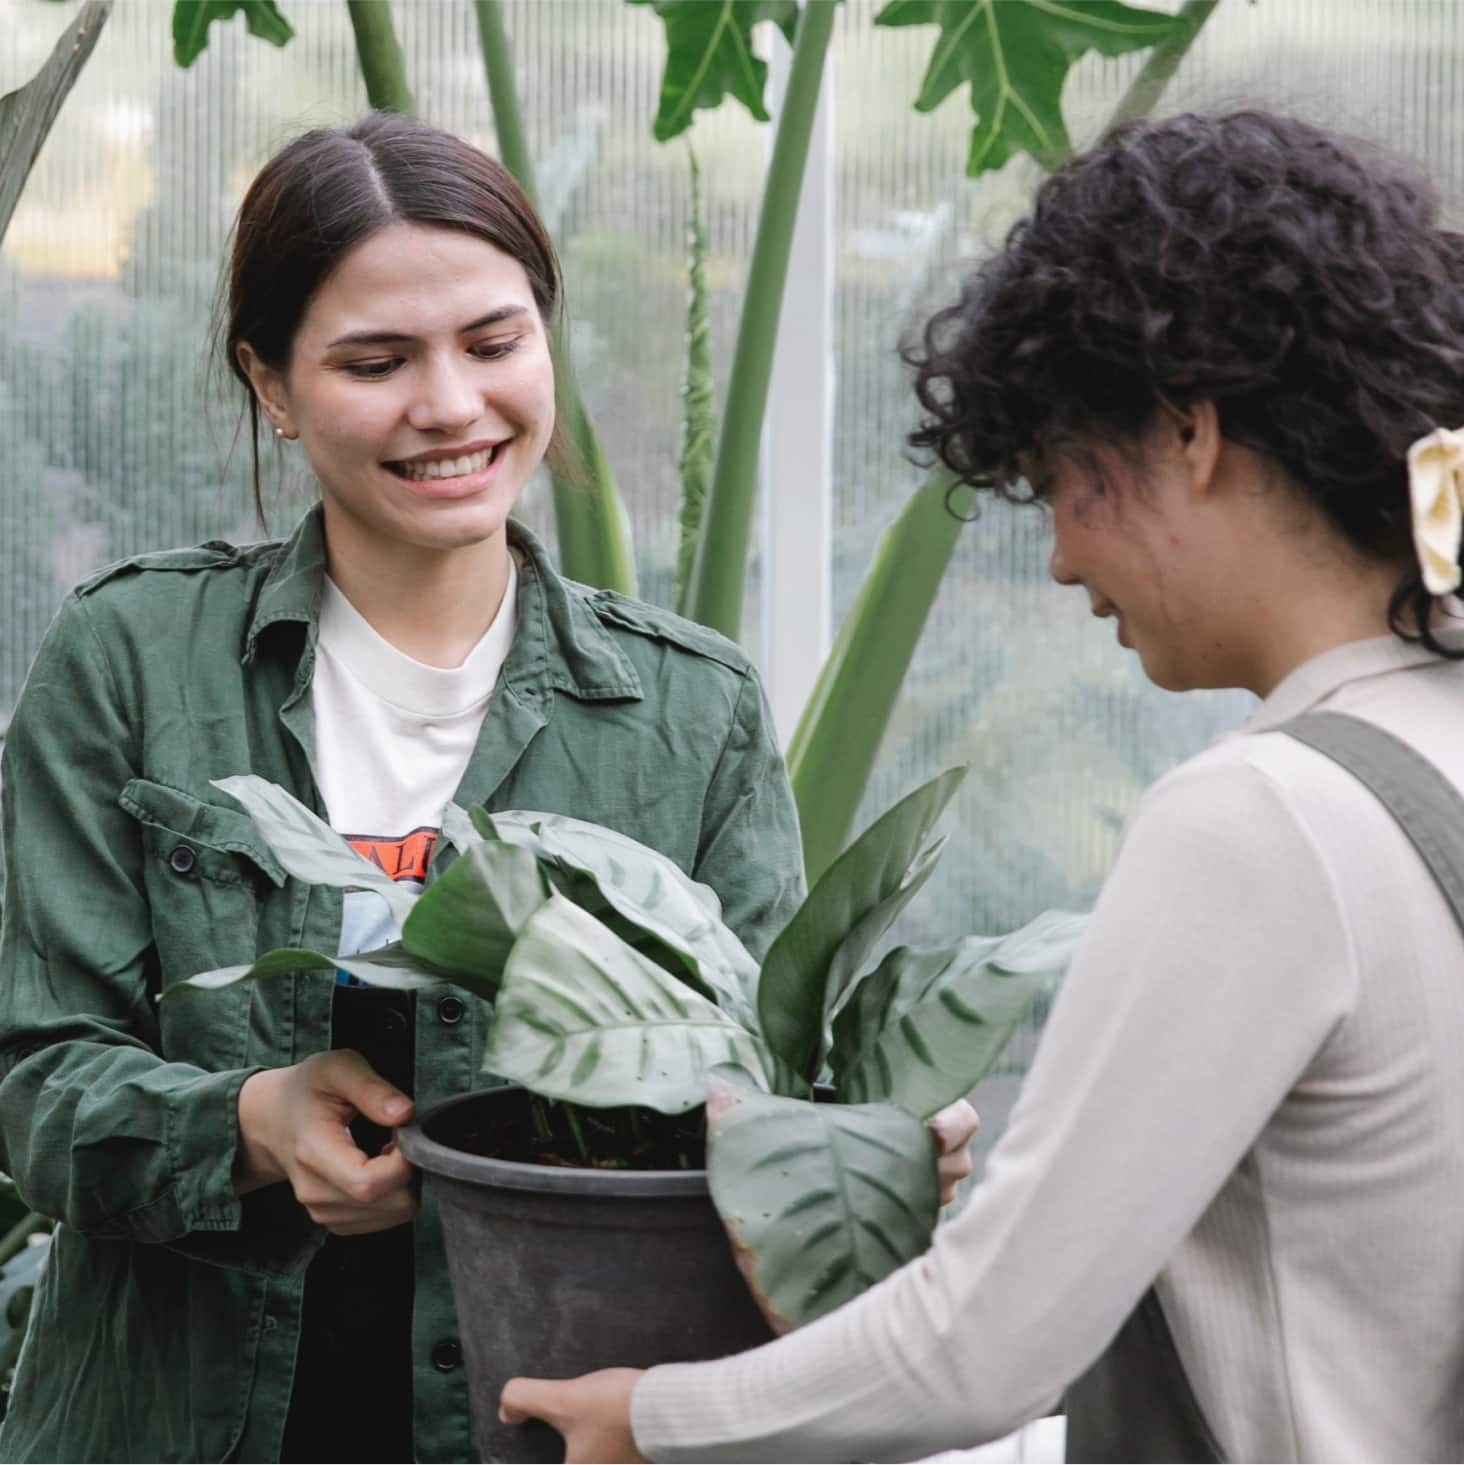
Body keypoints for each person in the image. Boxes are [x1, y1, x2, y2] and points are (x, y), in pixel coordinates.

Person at [0, 111, 977, 1464]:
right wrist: (247, 1122)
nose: (451, 404)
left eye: (494, 341)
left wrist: (869, 1147)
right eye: (374, 360)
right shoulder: (129, 662)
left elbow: (755, 1086)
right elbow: (34, 1078)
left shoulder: (687, 712)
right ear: (271, 386)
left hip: (541, 1420)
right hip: (174, 1418)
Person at [499, 108, 1464, 1463]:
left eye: (1067, 480)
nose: (1065, 561)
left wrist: (654, 1420)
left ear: (1190, 431)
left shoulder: (1263, 819)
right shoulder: (1438, 743)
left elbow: (992, 1338)